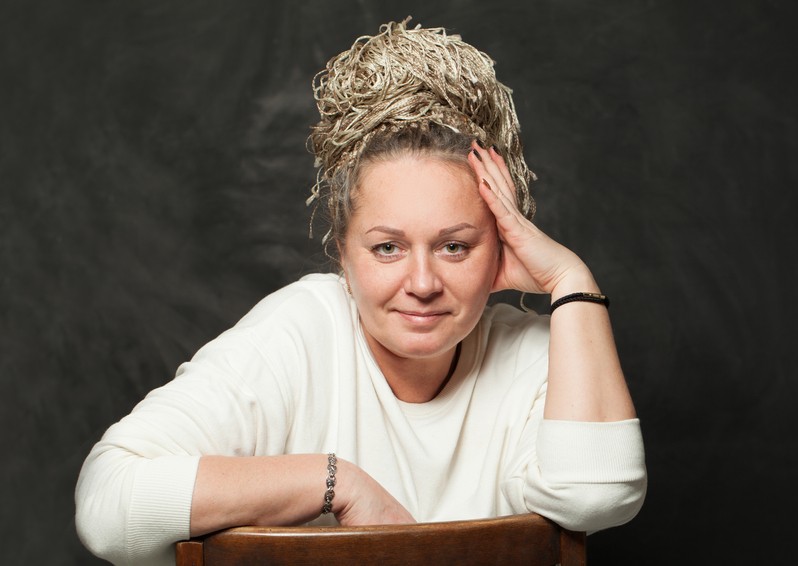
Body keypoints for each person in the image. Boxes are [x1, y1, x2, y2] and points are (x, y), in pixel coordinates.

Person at [76, 18, 646, 566]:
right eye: (387, 248)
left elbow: (595, 497)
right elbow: (107, 503)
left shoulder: (540, 354)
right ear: (344, 256)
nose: (421, 284)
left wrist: (571, 282)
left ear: (498, 249)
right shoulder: (303, 330)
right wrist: (334, 482)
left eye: (454, 247)